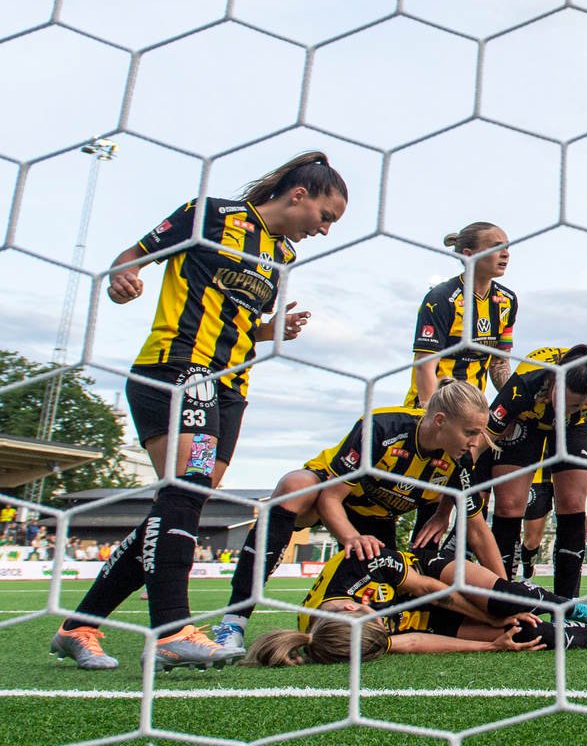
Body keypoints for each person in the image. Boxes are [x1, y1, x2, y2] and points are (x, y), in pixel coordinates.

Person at [51, 152, 348, 673]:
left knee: (178, 505)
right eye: (326, 216)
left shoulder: (280, 255)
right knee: (184, 495)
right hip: (178, 369)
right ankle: (171, 631)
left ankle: (80, 625)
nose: (324, 230)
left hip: (230, 387)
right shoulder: (212, 216)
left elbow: (240, 321)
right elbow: (131, 257)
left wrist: (271, 331)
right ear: (300, 194)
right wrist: (125, 279)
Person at [208, 380, 511, 649]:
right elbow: (331, 497)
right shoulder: (383, 428)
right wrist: (351, 538)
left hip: (378, 518)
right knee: (293, 486)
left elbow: (478, 531)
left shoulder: (460, 459)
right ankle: (235, 621)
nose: (475, 441)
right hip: (330, 501)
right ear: (441, 421)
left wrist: (505, 596)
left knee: (389, 596)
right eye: (470, 432)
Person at [246, 538, 587, 666]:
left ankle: (567, 605)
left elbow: (435, 592)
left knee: (502, 601)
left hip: (428, 575)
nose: (382, 628)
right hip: (426, 619)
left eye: (373, 621)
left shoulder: (355, 571)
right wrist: (494, 645)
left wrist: (497, 615)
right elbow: (413, 642)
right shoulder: (340, 644)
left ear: (348, 606)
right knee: (531, 636)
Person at [485, 345, 587, 605]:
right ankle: (502, 596)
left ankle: (567, 603)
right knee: (509, 505)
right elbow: (482, 440)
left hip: (576, 427)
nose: (563, 409)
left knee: (572, 502)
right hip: (528, 420)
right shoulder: (524, 383)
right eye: (561, 400)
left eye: (574, 404)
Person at [406, 222, 517, 406]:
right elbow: (425, 367)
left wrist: (514, 401)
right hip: (433, 407)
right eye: (497, 247)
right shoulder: (440, 298)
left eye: (507, 247)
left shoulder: (507, 300)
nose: (506, 254)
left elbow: (499, 362)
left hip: (472, 410)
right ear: (468, 255)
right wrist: (430, 416)